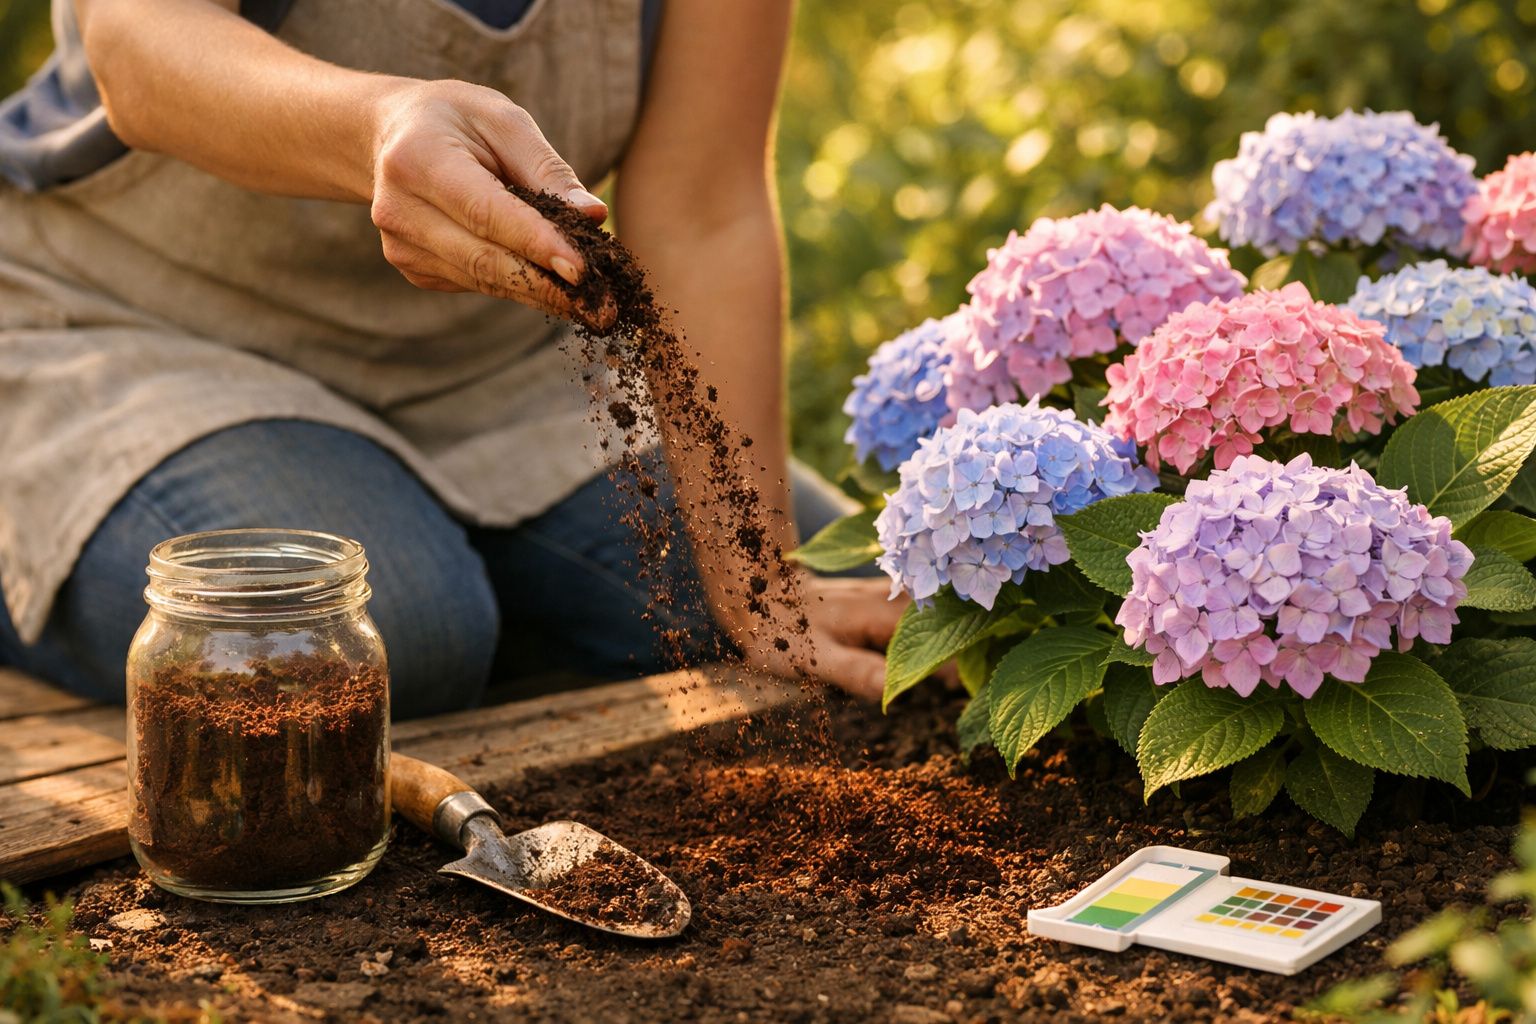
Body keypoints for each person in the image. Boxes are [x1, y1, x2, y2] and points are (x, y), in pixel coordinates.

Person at [0, 0, 904, 718]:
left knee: (861, 599)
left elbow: (705, 205)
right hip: (133, 327)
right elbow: (138, 45)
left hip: (486, 362)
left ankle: (437, 567)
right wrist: (377, 126)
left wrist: (755, 569)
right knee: (396, 634)